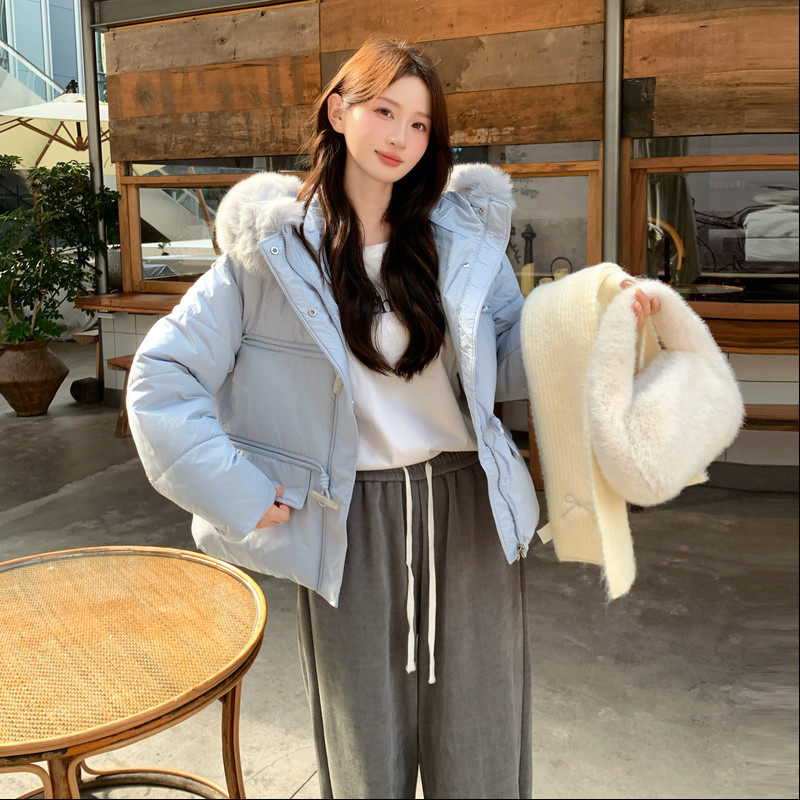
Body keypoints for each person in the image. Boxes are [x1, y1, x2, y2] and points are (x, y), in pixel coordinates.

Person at [126, 34, 659, 800]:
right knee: (362, 752)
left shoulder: (461, 242)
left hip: (468, 510)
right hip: (349, 517)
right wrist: (240, 492)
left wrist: (590, 323)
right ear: (338, 111)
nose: (400, 137)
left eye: (419, 124)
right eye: (384, 111)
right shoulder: (270, 254)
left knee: (482, 740)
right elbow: (161, 378)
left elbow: (509, 362)